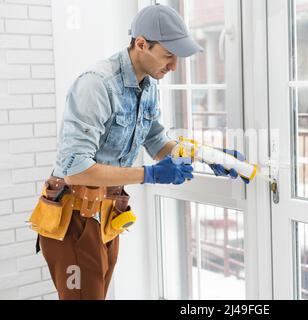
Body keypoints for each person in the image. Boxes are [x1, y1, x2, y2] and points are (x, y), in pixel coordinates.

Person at [28, 4, 247, 300]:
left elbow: (157, 142)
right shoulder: (97, 84)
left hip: (106, 216)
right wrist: (150, 174)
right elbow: (75, 168)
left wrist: (210, 157)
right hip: (75, 220)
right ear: (141, 44)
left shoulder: (148, 86)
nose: (173, 67)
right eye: (168, 56)